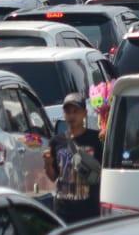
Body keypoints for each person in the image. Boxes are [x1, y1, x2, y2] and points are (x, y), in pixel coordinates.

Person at [43, 93, 103, 223]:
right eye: (68, 112)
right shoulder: (56, 142)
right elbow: (53, 176)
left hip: (89, 212)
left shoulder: (96, 139)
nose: (71, 116)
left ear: (84, 113)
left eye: (76, 111)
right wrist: (48, 164)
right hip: (63, 212)